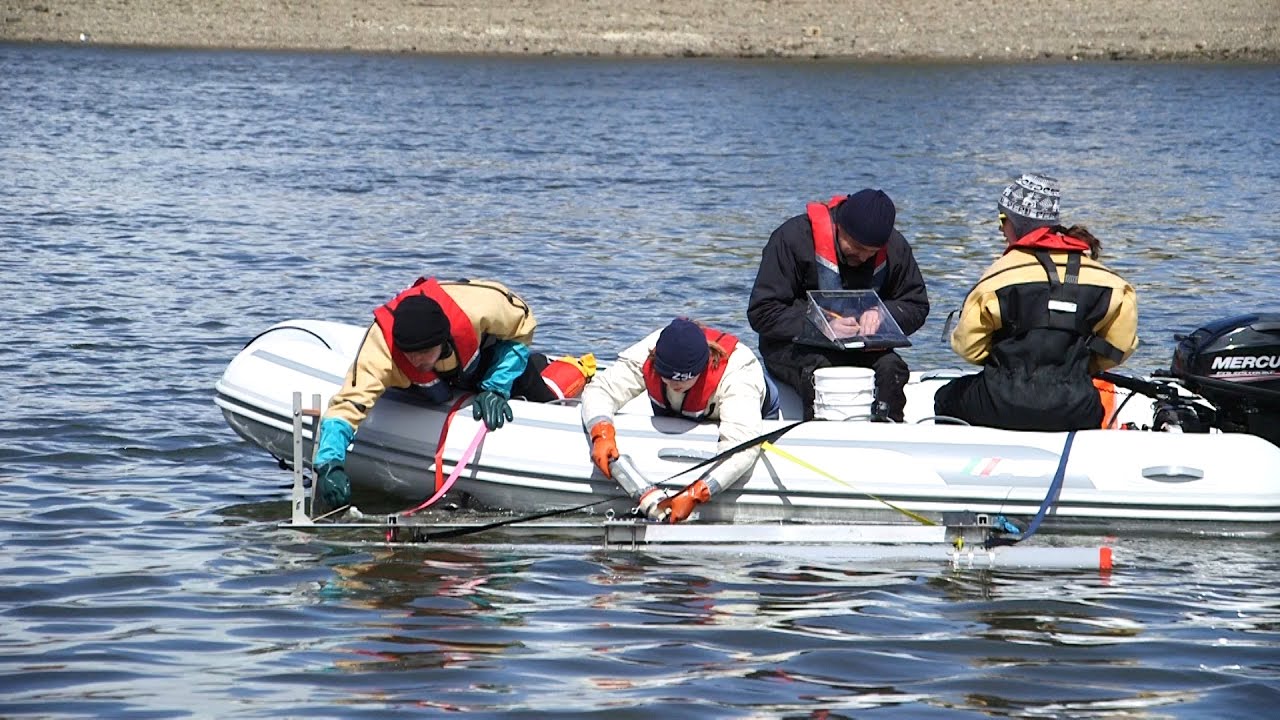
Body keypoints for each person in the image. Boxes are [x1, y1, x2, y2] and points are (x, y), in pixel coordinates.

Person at [312, 277, 559, 512]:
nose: (418, 360)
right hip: (425, 388)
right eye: (411, 354)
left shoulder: (478, 307)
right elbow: (348, 405)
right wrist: (330, 464)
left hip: (478, 363)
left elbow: (522, 323)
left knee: (530, 379)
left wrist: (496, 386)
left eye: (425, 352)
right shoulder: (381, 350)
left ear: (442, 341)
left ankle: (548, 374)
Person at [933, 173, 1139, 431]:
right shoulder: (1111, 283)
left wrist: (1004, 363)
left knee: (944, 397)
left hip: (1002, 402)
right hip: (1077, 407)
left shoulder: (997, 278)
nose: (1000, 229)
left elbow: (968, 347)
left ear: (1016, 224)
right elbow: (1120, 346)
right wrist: (1080, 366)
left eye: (1002, 220)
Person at [748, 188, 930, 421]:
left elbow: (916, 304)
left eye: (871, 253)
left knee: (892, 368)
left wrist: (883, 314)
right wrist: (821, 325)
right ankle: (819, 434)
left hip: (862, 349)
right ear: (839, 227)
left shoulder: (895, 248)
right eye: (856, 247)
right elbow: (762, 312)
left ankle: (887, 433)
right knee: (826, 373)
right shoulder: (791, 239)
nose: (863, 257)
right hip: (794, 347)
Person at [580, 317, 773, 523]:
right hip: (679, 412)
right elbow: (602, 389)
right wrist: (601, 433)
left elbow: (742, 447)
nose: (674, 384)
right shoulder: (651, 351)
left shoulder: (739, 374)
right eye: (667, 377)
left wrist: (698, 493)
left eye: (683, 379)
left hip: (755, 410)